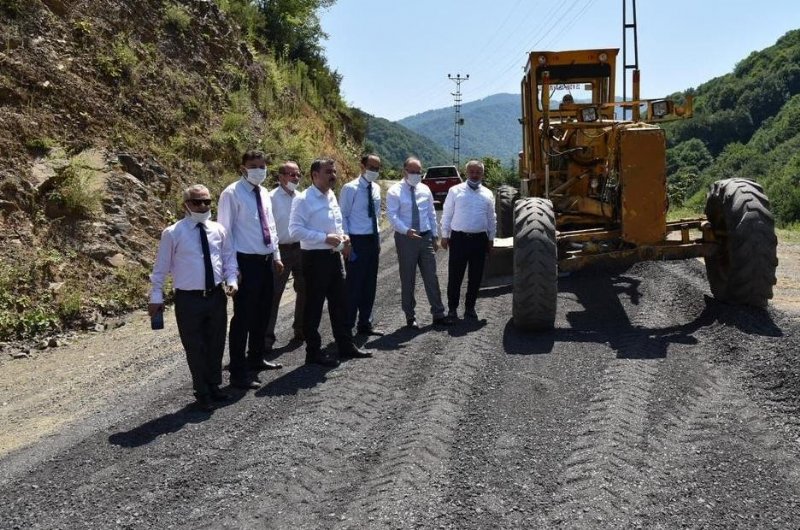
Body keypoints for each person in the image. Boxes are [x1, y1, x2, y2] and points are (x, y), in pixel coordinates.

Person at [149, 184, 239, 411]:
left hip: (216, 296)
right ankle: (202, 391)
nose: (203, 206)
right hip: (189, 300)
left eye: (207, 201)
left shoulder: (219, 230)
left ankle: (215, 386)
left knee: (216, 343)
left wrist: (232, 280)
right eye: (197, 202)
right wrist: (156, 296)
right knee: (195, 346)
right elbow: (161, 268)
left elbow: (228, 259)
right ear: (186, 205)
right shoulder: (173, 233)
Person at [289, 158, 373, 367]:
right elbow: (295, 230)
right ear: (314, 175)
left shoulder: (331, 196)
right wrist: (323, 237)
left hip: (334, 257)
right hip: (314, 260)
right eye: (328, 171)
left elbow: (336, 224)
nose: (333, 175)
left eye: (334, 171)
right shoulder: (303, 199)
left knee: (340, 304)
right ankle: (313, 352)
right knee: (314, 307)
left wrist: (343, 238)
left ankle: (345, 345)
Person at [217, 150, 284, 390]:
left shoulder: (264, 192)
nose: (259, 170)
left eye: (262, 165)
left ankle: (256, 359)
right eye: (254, 166)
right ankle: (237, 372)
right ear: (243, 168)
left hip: (266, 261)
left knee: (262, 314)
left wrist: (276, 255)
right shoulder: (231, 193)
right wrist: (232, 271)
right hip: (245, 262)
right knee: (243, 319)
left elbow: (271, 226)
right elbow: (224, 234)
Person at [386, 157, 453, 329]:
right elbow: (392, 216)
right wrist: (405, 230)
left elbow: (431, 213)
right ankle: (410, 316)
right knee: (408, 278)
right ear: (404, 171)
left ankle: (438, 313)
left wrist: (434, 235)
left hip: (425, 238)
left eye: (418, 172)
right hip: (406, 238)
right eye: (412, 171)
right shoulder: (394, 191)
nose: (416, 175)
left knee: (431, 276)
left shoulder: (425, 189)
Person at [441, 160, 497, 320]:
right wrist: (445, 235)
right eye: (472, 172)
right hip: (459, 239)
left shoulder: (487, 193)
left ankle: (470, 308)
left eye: (478, 172)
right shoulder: (454, 191)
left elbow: (491, 218)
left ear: (482, 174)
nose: (474, 175)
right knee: (455, 276)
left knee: (476, 276)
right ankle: (452, 309)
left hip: (480, 240)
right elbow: (447, 214)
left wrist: (491, 239)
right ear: (466, 173)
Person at [340, 153, 385, 337]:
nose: (373, 171)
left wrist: (379, 238)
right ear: (362, 166)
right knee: (353, 286)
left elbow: (376, 215)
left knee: (369, 284)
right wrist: (347, 242)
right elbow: (342, 216)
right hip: (356, 241)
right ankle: (347, 327)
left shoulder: (375, 188)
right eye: (371, 167)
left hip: (372, 240)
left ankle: (365, 324)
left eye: (377, 168)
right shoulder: (350, 188)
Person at [265, 161, 306, 353]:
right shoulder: (270, 198)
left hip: (301, 248)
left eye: (298, 175)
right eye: (291, 175)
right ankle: (266, 339)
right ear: (280, 177)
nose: (295, 178)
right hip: (279, 250)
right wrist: (274, 253)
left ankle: (301, 329)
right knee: (273, 295)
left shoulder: (301, 197)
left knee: (305, 289)